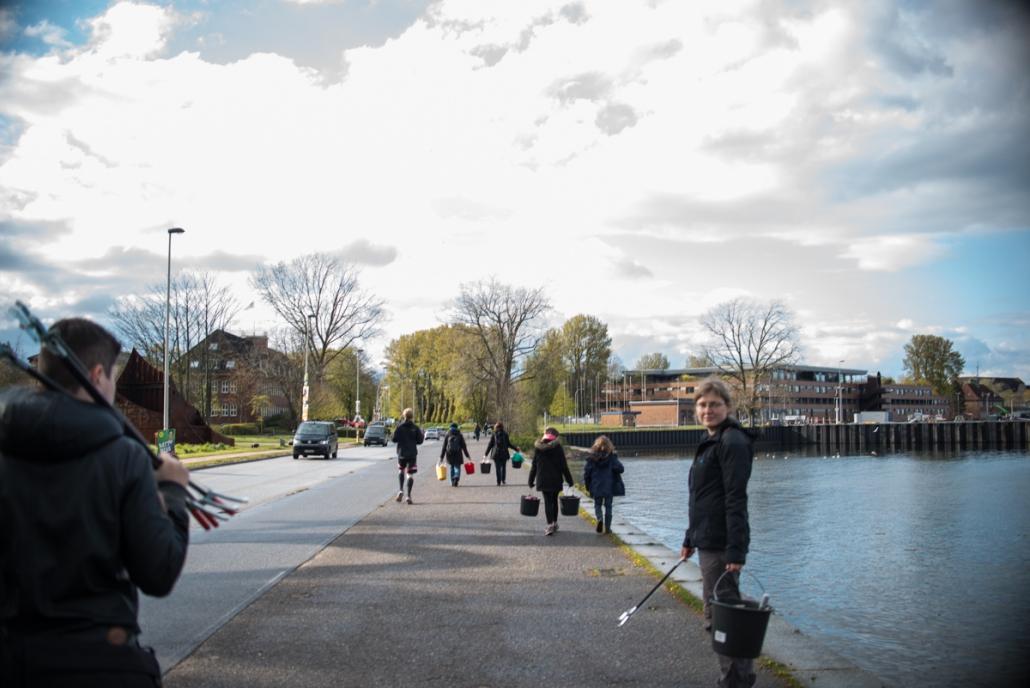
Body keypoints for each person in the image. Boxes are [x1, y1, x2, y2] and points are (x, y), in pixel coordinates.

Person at [0, 318, 190, 687]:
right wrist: (172, 491)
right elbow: (159, 571)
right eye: (114, 378)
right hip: (101, 661)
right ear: (99, 374)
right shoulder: (124, 458)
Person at [679, 378, 756, 688]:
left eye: (714, 404)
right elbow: (702, 498)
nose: (707, 409)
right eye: (702, 404)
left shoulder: (731, 442)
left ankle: (735, 680)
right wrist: (689, 538)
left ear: (727, 407)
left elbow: (735, 499)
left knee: (722, 616)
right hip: (707, 538)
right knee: (719, 610)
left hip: (722, 541)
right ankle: (736, 677)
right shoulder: (710, 440)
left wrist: (736, 551)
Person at [527, 426, 574, 536]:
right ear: (555, 436)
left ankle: (550, 524)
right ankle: (555, 522)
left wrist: (530, 480)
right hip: (556, 479)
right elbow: (564, 466)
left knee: (548, 501)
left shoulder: (538, 448)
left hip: (543, 480)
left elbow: (534, 466)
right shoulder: (558, 448)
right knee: (554, 501)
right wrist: (569, 480)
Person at [583, 435, 625, 535]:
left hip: (596, 486)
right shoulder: (612, 458)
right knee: (608, 506)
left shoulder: (592, 459)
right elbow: (621, 469)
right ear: (609, 446)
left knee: (597, 505)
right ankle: (608, 528)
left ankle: (599, 519)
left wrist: (588, 486)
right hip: (609, 487)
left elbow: (586, 474)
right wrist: (615, 460)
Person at [390, 407, 423, 504]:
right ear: (412, 416)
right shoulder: (415, 428)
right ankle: (408, 495)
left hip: (401, 453)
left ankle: (400, 490)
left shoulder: (399, 427)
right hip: (412, 454)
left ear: (404, 416)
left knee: (401, 470)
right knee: (410, 474)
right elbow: (420, 441)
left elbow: (393, 439)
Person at [484, 421, 520, 486]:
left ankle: (498, 481)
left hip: (496, 454)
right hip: (504, 453)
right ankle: (503, 480)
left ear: (496, 427)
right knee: (503, 467)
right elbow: (509, 444)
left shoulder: (494, 434)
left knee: (497, 468)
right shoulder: (505, 434)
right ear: (502, 427)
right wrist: (516, 449)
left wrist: (486, 454)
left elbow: (490, 444)